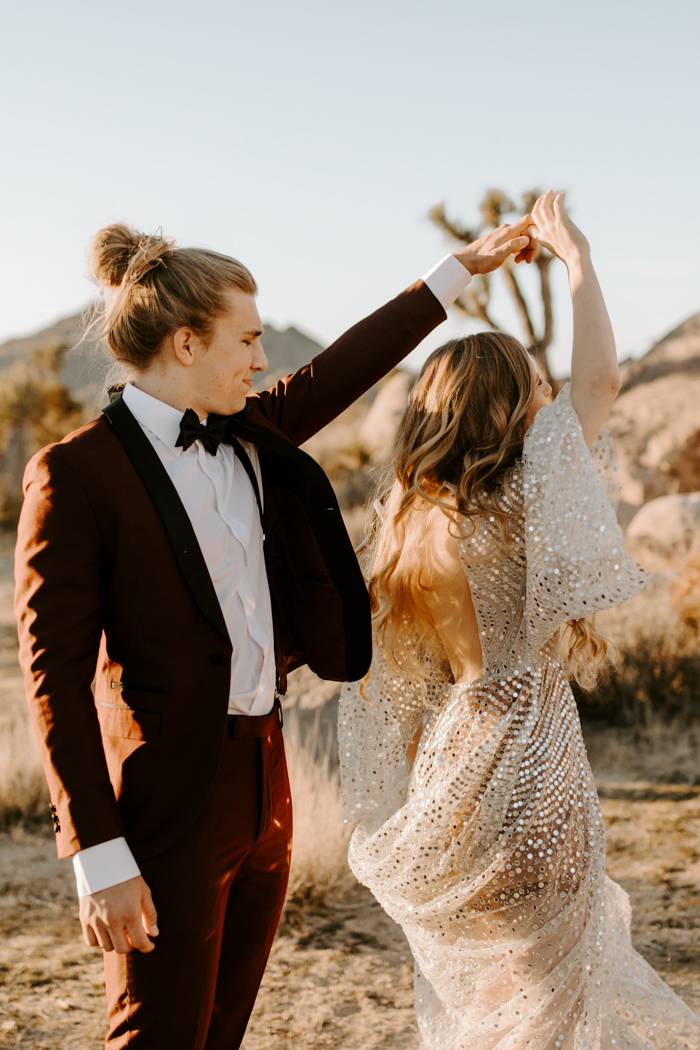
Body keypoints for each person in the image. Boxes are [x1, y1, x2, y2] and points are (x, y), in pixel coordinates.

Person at [14, 214, 536, 1049]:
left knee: (224, 1031)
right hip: (168, 801)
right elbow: (53, 678)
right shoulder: (75, 476)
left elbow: (348, 365)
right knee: (157, 1037)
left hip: (268, 782)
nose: (262, 360)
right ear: (187, 345)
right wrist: (98, 854)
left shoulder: (253, 432)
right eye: (247, 340)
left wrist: (458, 270)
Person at [339, 191, 700, 1049]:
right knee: (551, 991)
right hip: (530, 748)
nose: (549, 401)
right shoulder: (516, 502)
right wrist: (576, 260)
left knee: (501, 987)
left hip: (453, 756)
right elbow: (604, 382)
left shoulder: (406, 517)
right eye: (536, 389)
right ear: (506, 408)